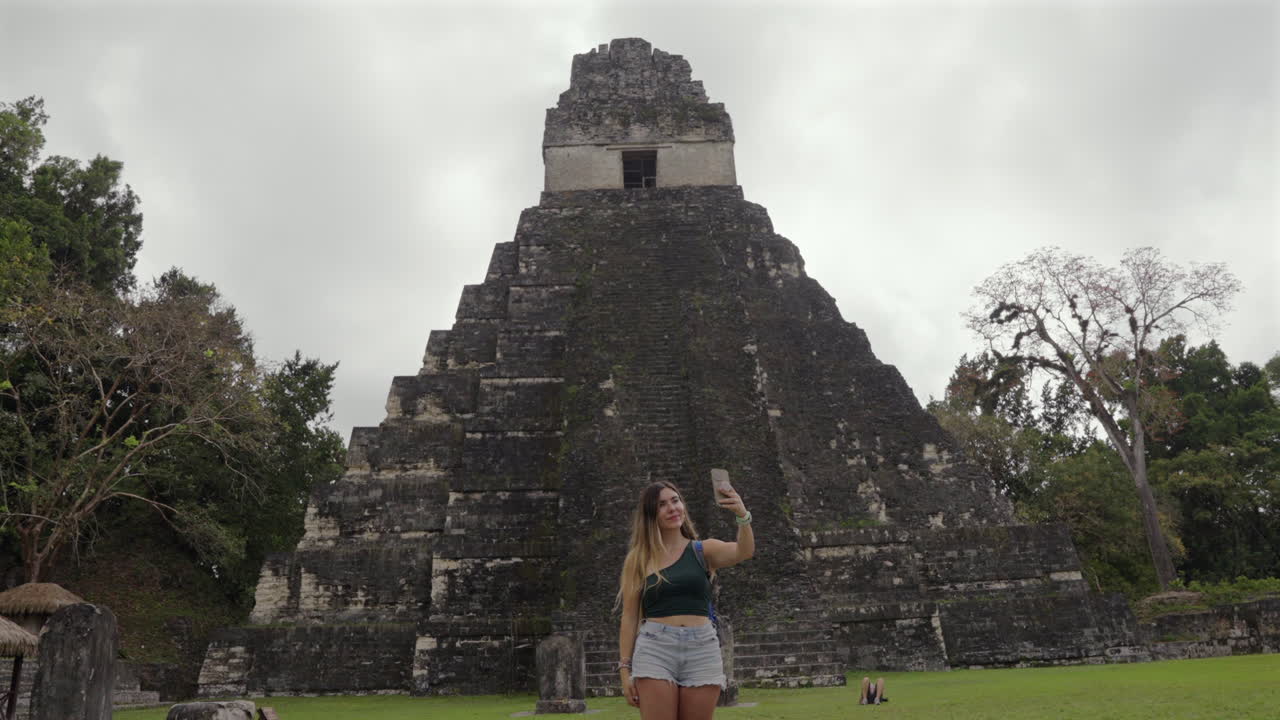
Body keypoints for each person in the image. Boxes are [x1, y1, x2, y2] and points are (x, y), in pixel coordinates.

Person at [616, 479, 755, 720]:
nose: (672, 508)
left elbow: (743, 551)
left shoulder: (703, 550)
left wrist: (742, 516)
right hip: (655, 647)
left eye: (675, 500)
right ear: (651, 515)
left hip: (701, 648)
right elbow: (629, 617)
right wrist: (624, 670)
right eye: (662, 505)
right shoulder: (638, 559)